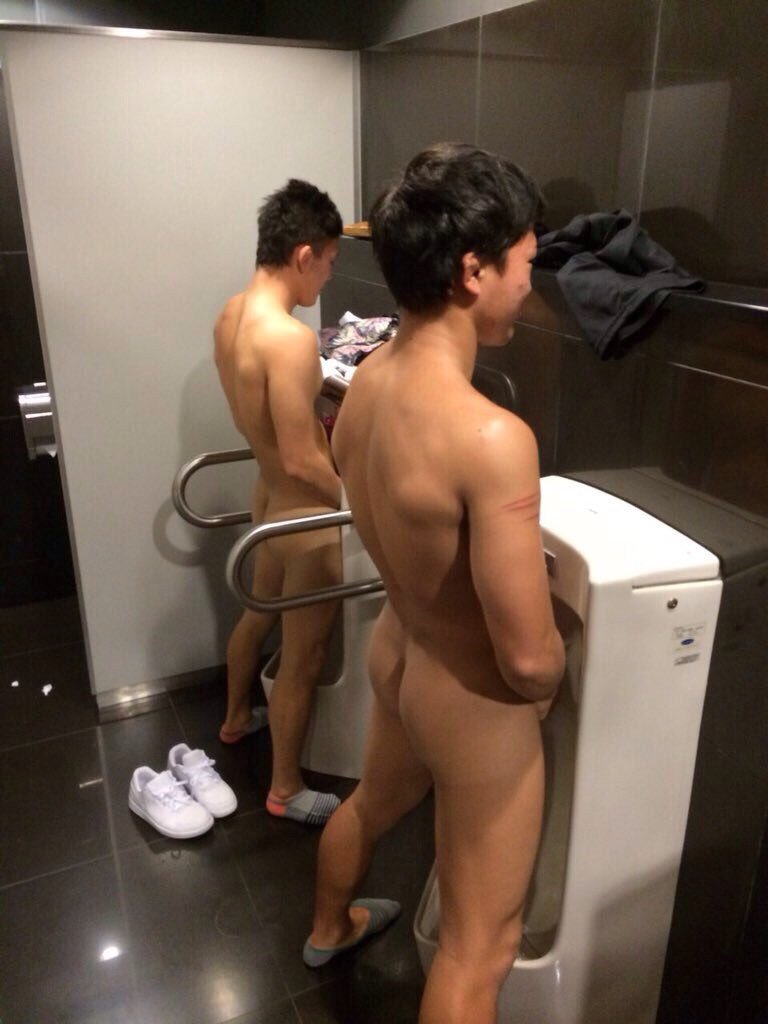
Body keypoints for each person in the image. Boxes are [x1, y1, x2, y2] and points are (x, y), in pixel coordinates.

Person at [303, 144, 565, 1022]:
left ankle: (329, 925)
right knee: (475, 951)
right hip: (470, 701)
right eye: (526, 263)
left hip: (399, 653)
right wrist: (554, 680)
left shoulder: (364, 384)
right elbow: (527, 659)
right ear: (472, 270)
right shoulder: (491, 438)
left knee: (371, 804)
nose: (529, 285)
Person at [214, 178, 344, 826]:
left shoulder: (231, 315)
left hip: (267, 498)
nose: (328, 275)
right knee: (303, 656)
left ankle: (236, 716)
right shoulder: (289, 339)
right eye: (329, 261)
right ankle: (286, 789)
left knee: (255, 616)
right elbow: (300, 457)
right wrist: (354, 500)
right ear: (303, 254)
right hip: (304, 514)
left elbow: (268, 435)